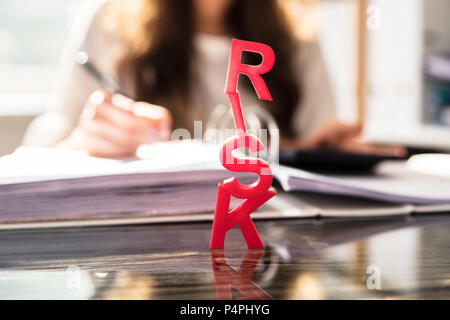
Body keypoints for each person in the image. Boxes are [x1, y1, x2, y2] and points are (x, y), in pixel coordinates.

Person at [23, 0, 404, 159]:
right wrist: (84, 141)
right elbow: (40, 153)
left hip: (269, 254)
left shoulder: (298, 35)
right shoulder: (110, 21)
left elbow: (310, 141)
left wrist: (317, 150)